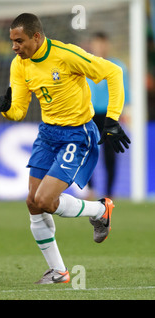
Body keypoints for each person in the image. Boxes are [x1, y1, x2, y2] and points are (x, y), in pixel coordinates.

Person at [0, 13, 130, 284]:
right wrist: (6, 110)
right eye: (12, 41)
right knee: (33, 203)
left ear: (36, 36)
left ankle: (100, 210)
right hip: (47, 134)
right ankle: (59, 271)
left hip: (77, 134)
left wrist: (113, 118)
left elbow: (112, 72)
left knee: (45, 200)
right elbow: (19, 111)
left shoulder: (66, 55)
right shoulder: (19, 65)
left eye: (19, 41)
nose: (14, 47)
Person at [86, 32, 130, 198]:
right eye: (97, 43)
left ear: (107, 45)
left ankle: (109, 193)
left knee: (110, 155)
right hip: (88, 115)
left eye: (103, 43)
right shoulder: (85, 65)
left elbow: (125, 91)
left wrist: (126, 111)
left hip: (109, 115)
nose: (100, 47)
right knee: (87, 152)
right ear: (92, 45)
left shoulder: (117, 66)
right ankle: (90, 189)